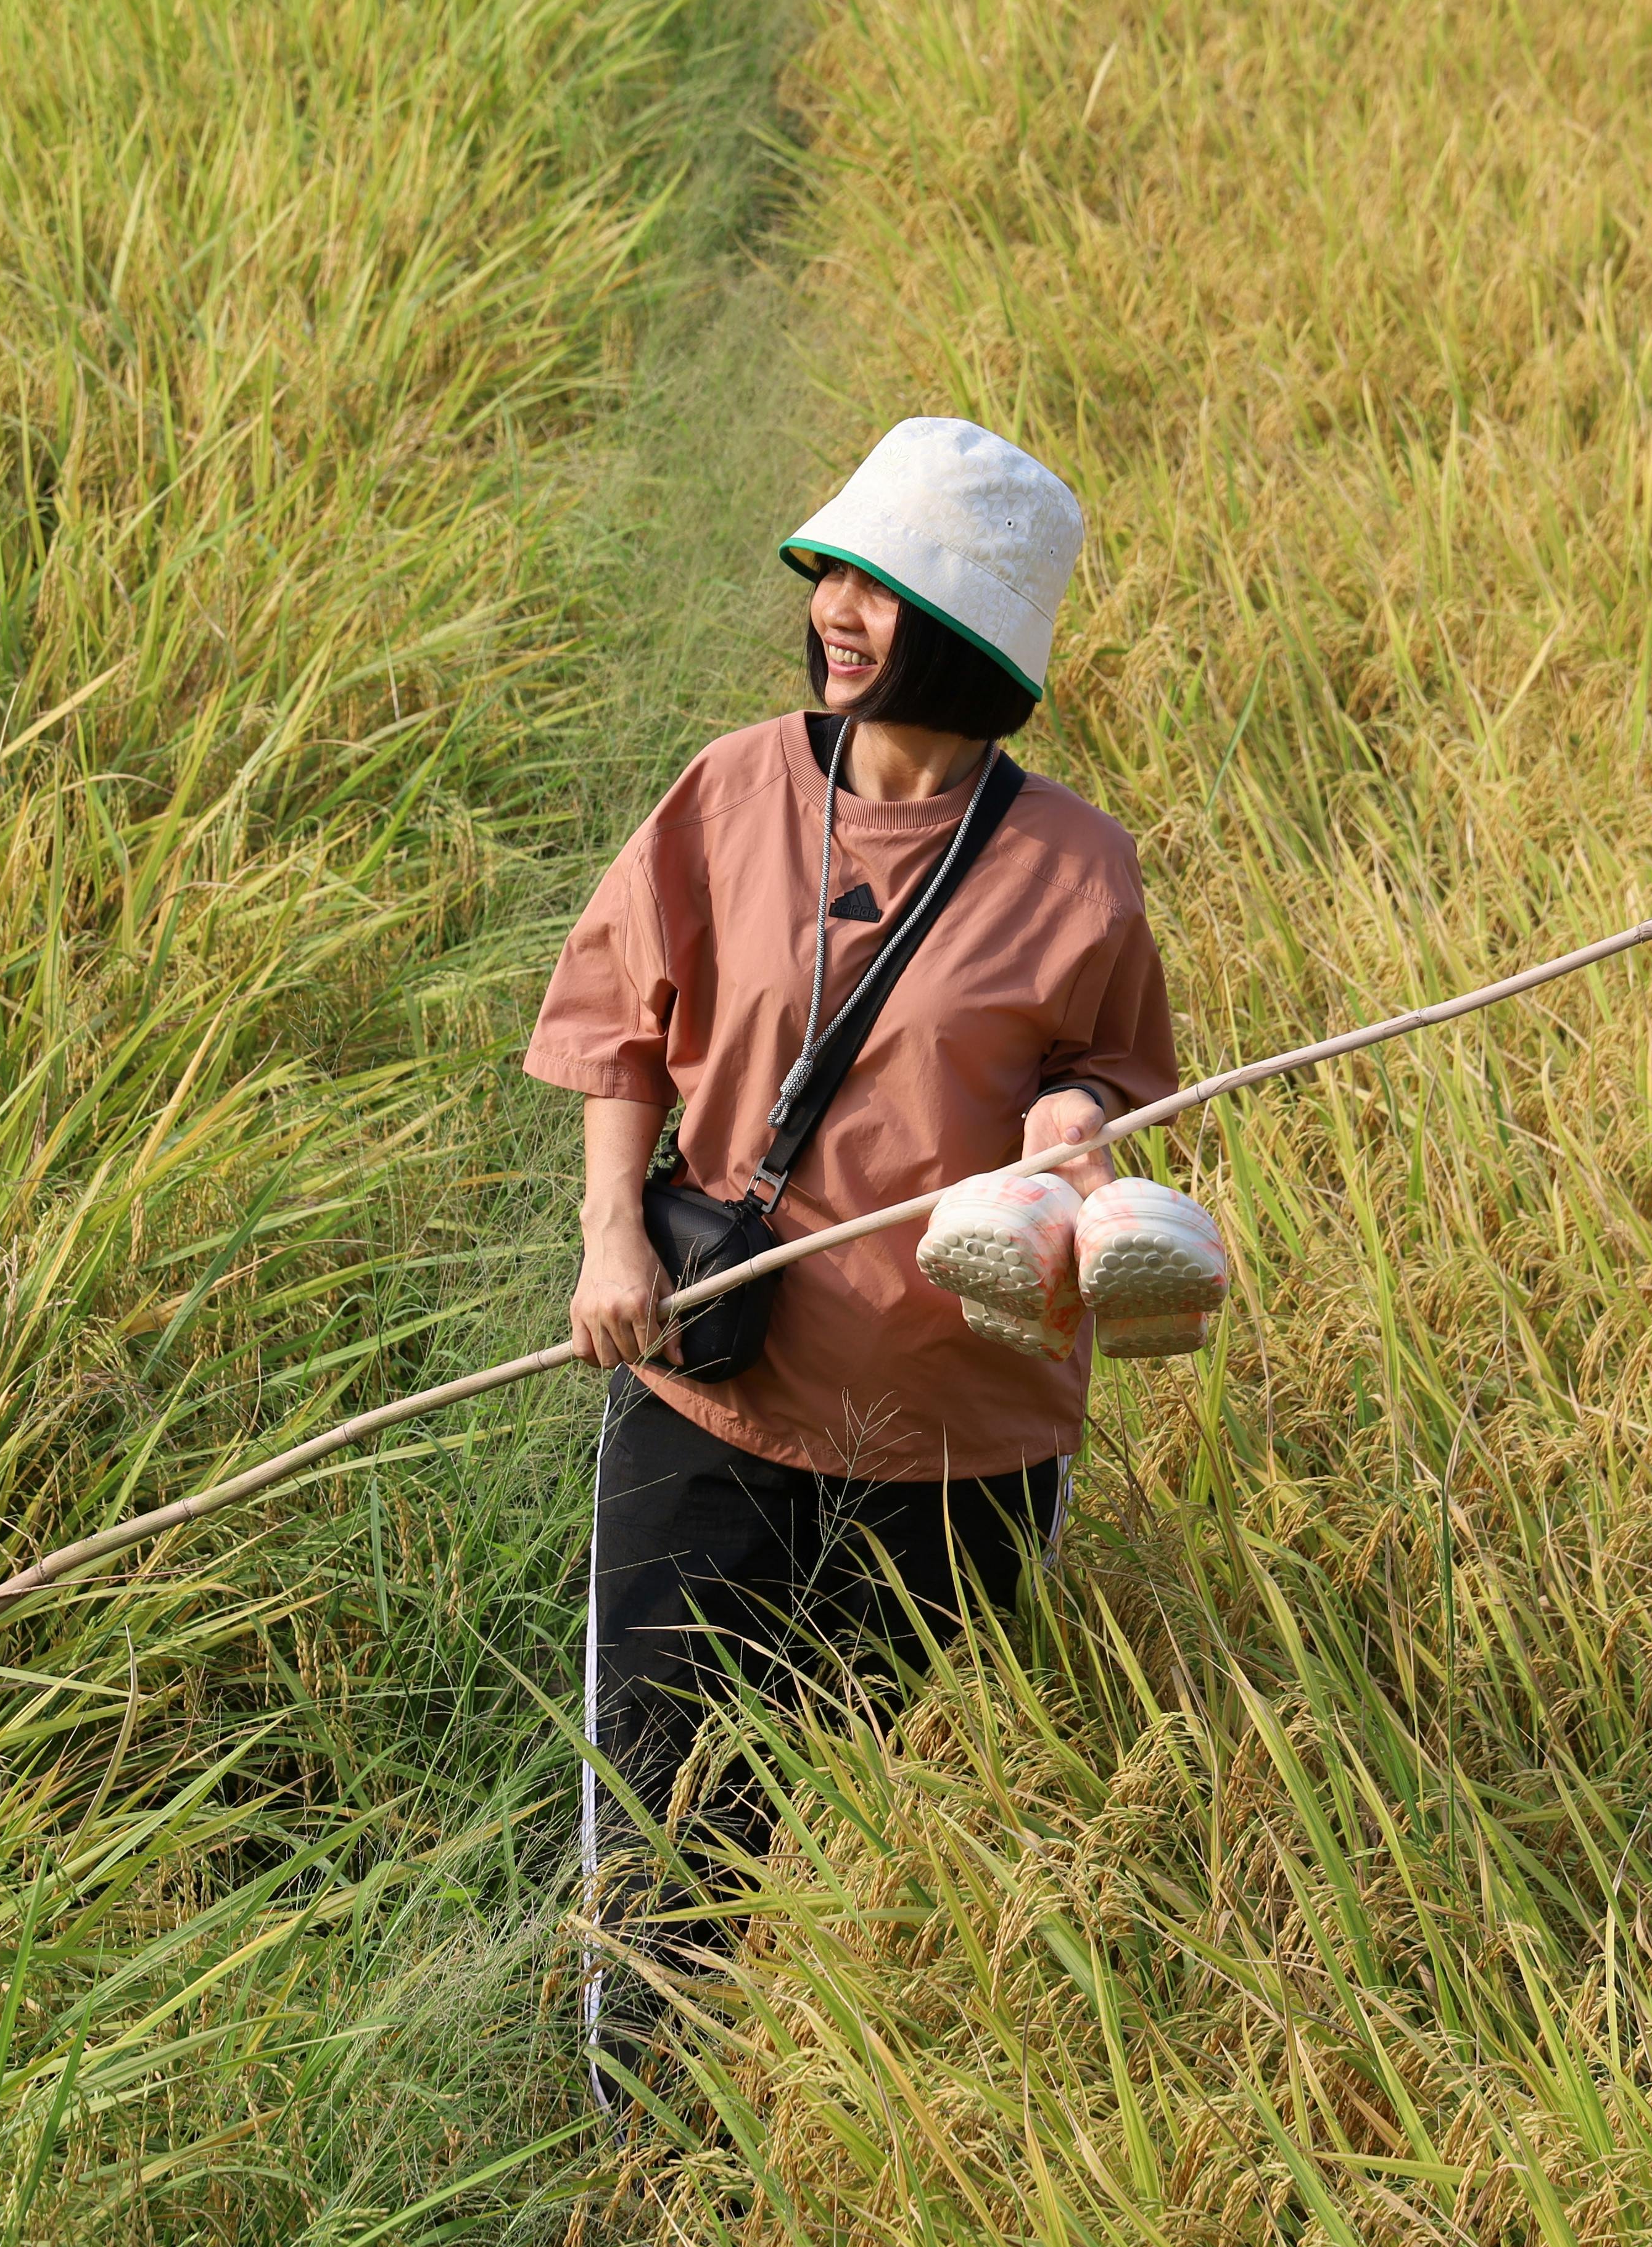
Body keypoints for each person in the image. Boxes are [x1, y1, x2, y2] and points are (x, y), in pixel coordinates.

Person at [521, 416, 1216, 2093]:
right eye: (825, 571)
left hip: (961, 1441)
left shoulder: (1078, 869)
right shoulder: (734, 790)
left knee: (902, 1836)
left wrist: (1071, 1128)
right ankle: (653, 2175)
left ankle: (861, 2159)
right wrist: (616, 1234)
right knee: (671, 1807)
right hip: (711, 1402)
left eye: (878, 584)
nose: (832, 603)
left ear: (969, 633)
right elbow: (620, 1026)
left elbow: (1109, 1072)